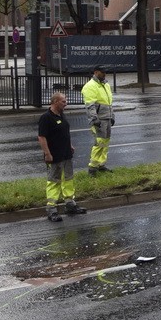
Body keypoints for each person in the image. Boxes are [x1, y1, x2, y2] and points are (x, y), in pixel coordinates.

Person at [38, 91, 86, 221]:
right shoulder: (46, 117)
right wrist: (47, 153)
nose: (66, 104)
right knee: (54, 181)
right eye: (63, 101)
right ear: (55, 102)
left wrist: (69, 145)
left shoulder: (61, 115)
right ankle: (52, 209)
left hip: (66, 154)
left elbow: (65, 132)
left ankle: (70, 204)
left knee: (68, 179)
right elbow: (42, 137)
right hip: (54, 155)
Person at [81, 65, 114, 176]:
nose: (104, 74)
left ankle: (101, 164)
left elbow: (109, 103)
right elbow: (90, 105)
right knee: (99, 143)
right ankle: (92, 167)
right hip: (99, 120)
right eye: (102, 72)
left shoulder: (106, 85)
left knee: (105, 142)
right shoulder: (90, 86)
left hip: (107, 118)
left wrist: (112, 115)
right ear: (95, 72)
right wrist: (95, 119)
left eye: (105, 72)